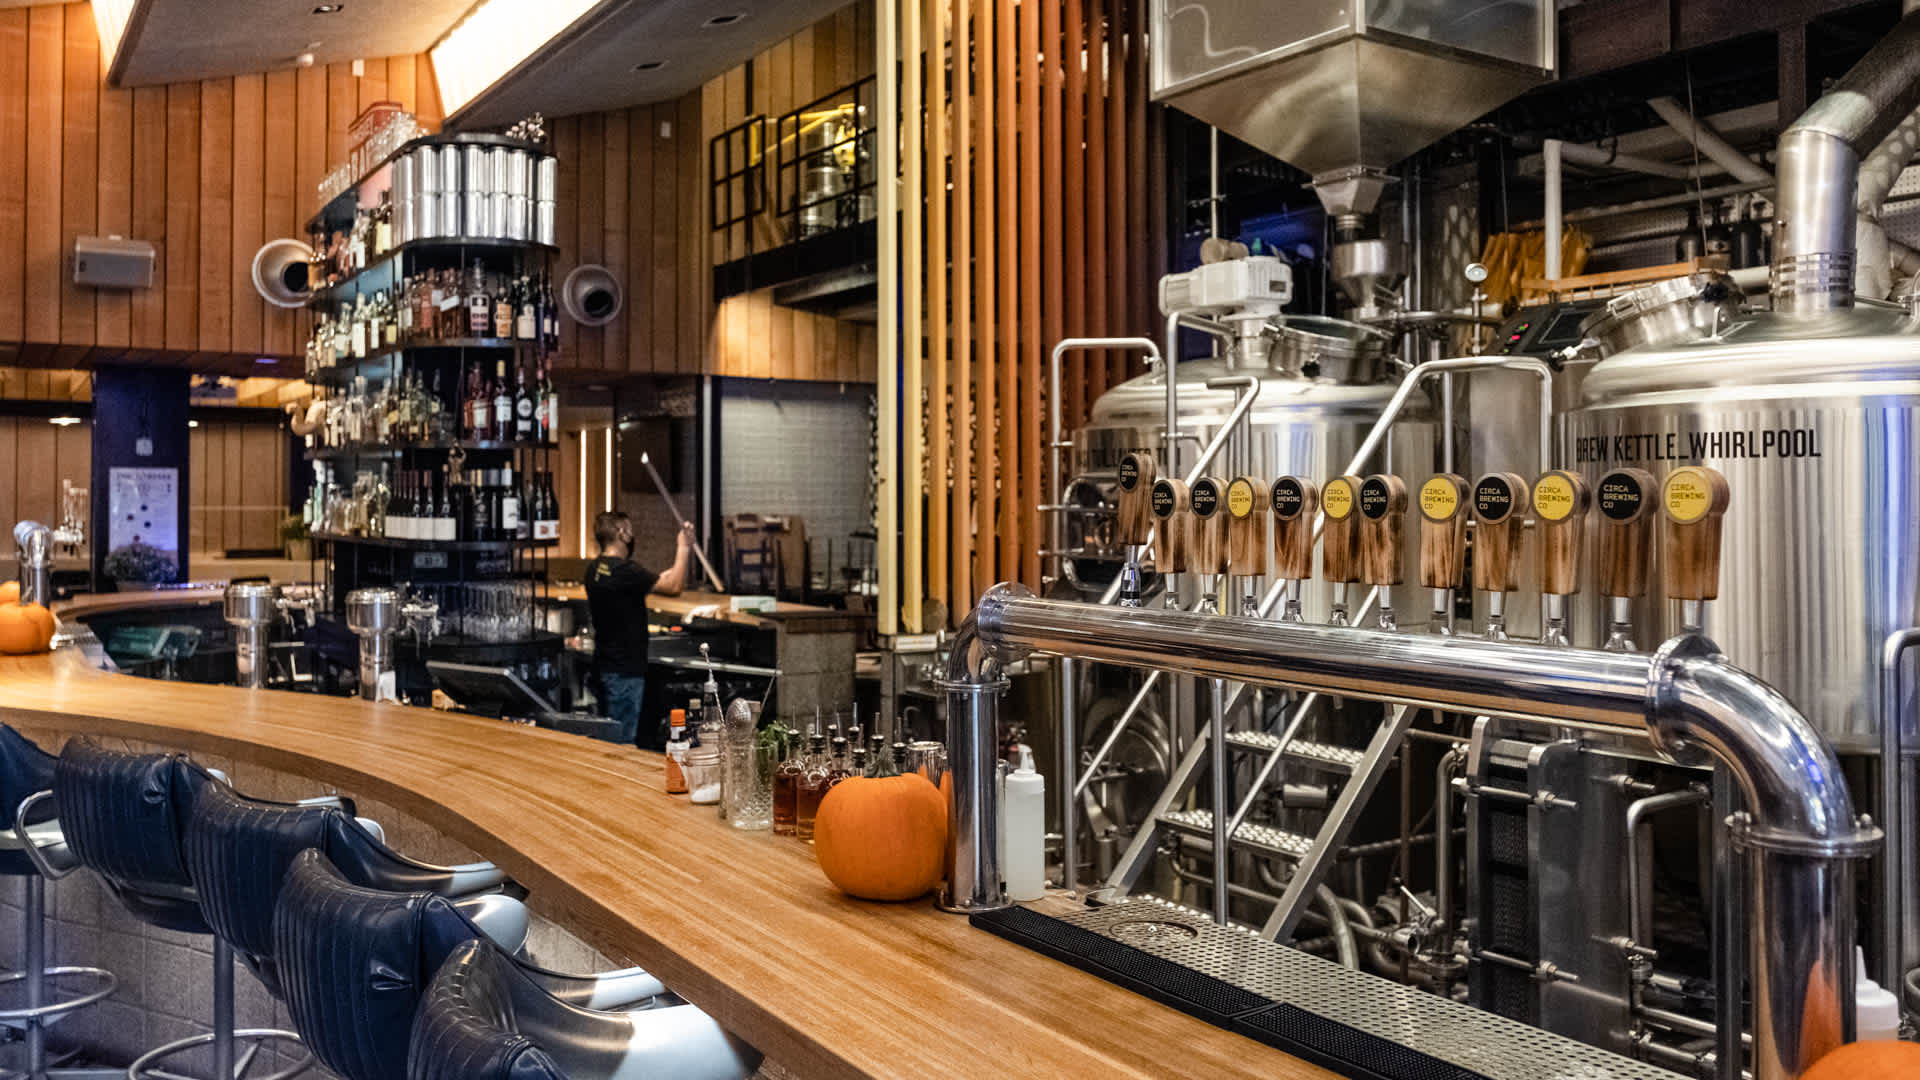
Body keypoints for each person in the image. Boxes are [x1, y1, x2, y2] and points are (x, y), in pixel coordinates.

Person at [585, 511, 693, 746]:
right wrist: (684, 546)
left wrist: (660, 578)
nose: (632, 536)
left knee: (607, 739)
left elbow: (650, 582)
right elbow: (674, 586)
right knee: (623, 744)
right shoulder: (625, 571)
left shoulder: (595, 569)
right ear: (621, 533)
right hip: (625, 671)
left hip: (604, 666)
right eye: (630, 530)